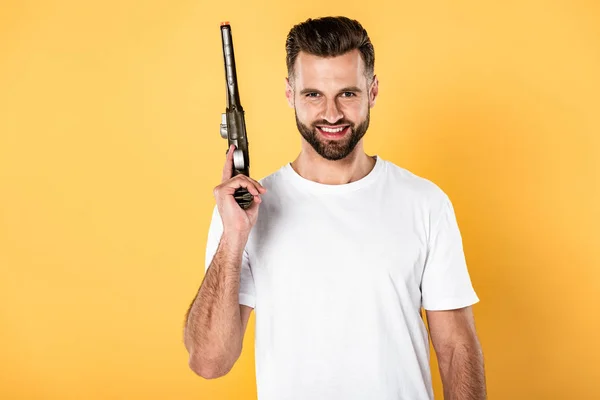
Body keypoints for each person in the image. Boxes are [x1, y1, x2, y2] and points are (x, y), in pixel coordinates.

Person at [184, 16, 487, 400]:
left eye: (347, 94)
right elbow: (209, 362)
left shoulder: (425, 203)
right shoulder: (243, 212)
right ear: (290, 93)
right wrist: (233, 238)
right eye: (313, 95)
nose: (331, 114)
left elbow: (457, 348)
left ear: (372, 91)